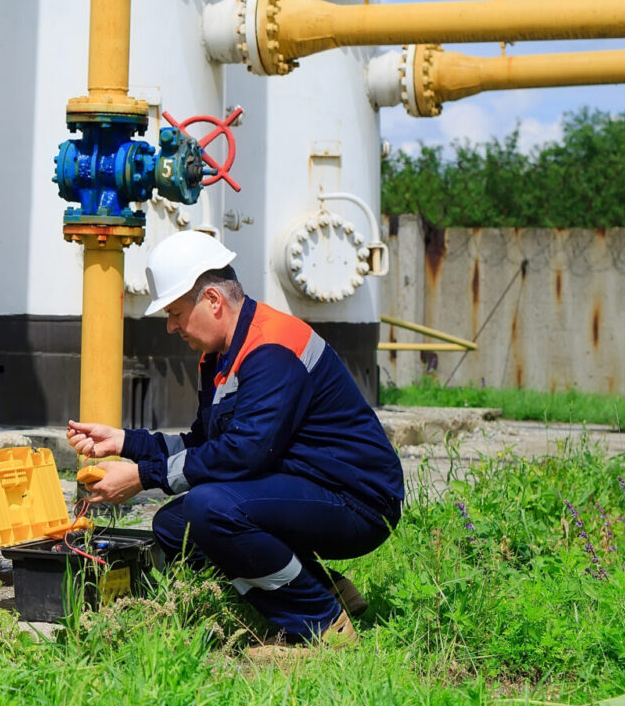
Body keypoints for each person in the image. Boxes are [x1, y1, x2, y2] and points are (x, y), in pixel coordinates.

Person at [67, 230, 403, 660]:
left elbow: (244, 453)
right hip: (308, 488)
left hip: (359, 502)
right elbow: (206, 446)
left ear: (212, 300)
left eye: (175, 313)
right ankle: (325, 589)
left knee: (211, 508)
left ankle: (320, 627)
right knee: (175, 525)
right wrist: (126, 442)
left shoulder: (272, 348)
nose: (170, 327)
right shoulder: (222, 356)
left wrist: (142, 477)